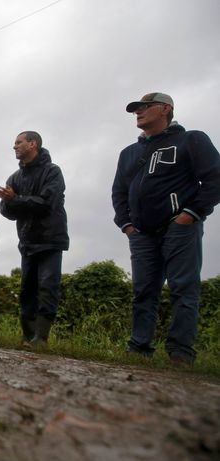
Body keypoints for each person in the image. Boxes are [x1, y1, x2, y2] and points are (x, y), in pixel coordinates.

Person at [112, 92, 220, 365]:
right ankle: (139, 348)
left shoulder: (191, 139)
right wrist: (126, 224)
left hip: (179, 227)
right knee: (143, 291)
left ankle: (181, 353)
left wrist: (190, 214)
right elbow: (119, 192)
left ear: (165, 109)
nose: (138, 112)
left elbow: (215, 178)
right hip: (141, 233)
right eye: (136, 109)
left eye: (145, 107)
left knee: (183, 288)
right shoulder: (129, 153)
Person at [0, 131, 69, 347]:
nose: (14, 146)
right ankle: (28, 337)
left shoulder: (53, 172)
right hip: (27, 242)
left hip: (50, 240)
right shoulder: (14, 178)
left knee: (47, 286)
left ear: (33, 144)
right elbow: (6, 212)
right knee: (27, 289)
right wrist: (10, 202)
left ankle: (41, 338)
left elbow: (48, 203)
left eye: (18, 142)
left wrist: (16, 200)